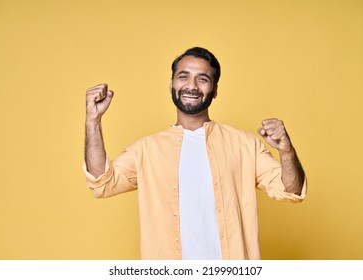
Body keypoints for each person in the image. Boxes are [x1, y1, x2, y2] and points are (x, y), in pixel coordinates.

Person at [83, 47, 307, 260]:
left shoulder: (245, 145)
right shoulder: (146, 150)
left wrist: (286, 150)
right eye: (183, 77)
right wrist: (93, 121)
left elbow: (291, 190)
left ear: (215, 90)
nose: (192, 86)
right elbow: (102, 182)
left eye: (202, 79)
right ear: (171, 85)